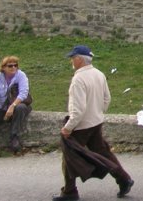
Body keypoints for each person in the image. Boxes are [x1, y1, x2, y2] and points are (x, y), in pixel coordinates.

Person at [53, 45, 133, 201]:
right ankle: (124, 178)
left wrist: (68, 128)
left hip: (81, 126)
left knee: (69, 156)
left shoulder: (78, 79)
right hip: (96, 122)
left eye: (72, 58)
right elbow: (106, 99)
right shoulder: (99, 74)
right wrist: (97, 112)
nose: (71, 61)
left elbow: (78, 110)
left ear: (79, 59)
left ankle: (70, 191)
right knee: (103, 152)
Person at [0, 55, 31, 156]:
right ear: (3, 67)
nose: (13, 68)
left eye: (15, 65)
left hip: (19, 105)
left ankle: (14, 138)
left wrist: (12, 106)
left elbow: (23, 93)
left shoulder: (21, 75)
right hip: (2, 107)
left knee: (20, 108)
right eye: (10, 66)